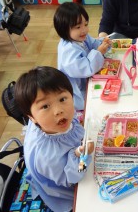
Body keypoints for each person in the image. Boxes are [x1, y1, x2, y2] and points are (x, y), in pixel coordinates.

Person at [14, 66, 95, 212]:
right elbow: (72, 178)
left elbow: (74, 124)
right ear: (31, 117)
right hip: (63, 193)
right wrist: (84, 157)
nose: (59, 110)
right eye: (45, 106)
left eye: (63, 99)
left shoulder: (50, 123)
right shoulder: (46, 156)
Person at [54, 2, 111, 111]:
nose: (84, 30)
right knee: (97, 104)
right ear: (64, 30)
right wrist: (99, 53)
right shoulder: (68, 51)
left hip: (86, 79)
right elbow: (87, 68)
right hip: (76, 91)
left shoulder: (80, 37)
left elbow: (93, 44)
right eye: (78, 27)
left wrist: (103, 43)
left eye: (86, 24)